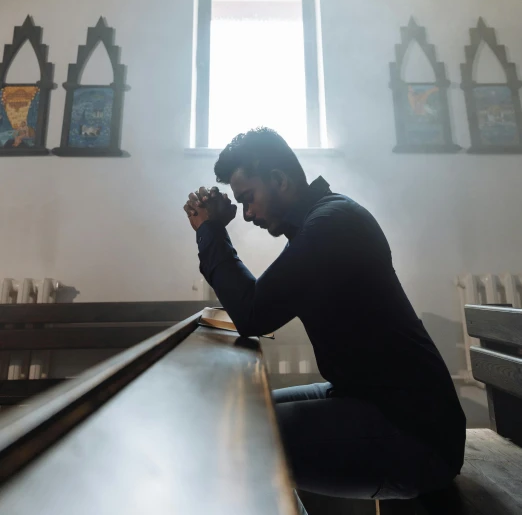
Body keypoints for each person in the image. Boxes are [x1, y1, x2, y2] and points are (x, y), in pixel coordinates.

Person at [183, 128, 466, 503]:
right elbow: (257, 304)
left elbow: (254, 312)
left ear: (279, 180)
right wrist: (214, 231)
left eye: (248, 199)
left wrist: (212, 231)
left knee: (233, 436)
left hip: (414, 432)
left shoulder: (333, 224)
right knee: (234, 415)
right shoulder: (323, 221)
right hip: (366, 399)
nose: (247, 214)